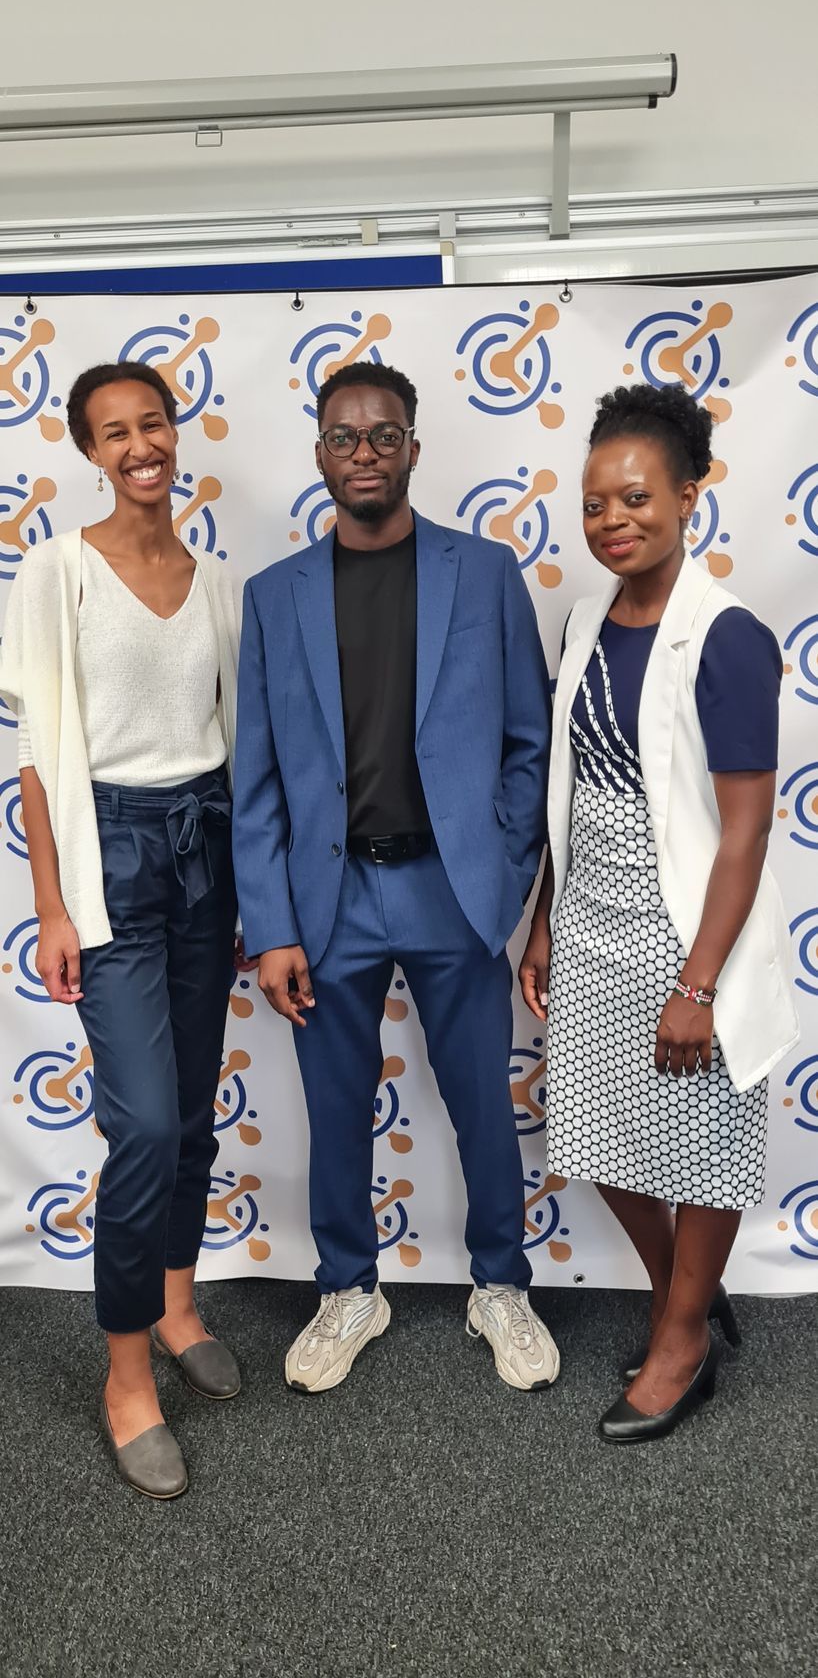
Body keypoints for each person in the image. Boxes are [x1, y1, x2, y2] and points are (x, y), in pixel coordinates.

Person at [232, 360, 559, 1393]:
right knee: (335, 1108)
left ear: (413, 446)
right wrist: (273, 923)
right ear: (319, 451)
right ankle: (345, 1289)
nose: (363, 452)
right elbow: (259, 777)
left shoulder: (483, 572)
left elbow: (525, 740)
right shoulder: (271, 597)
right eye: (343, 436)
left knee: (478, 1101)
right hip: (327, 903)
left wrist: (503, 875)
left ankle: (499, 1285)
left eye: (382, 435)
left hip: (452, 890)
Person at [520, 380, 799, 1443]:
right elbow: (570, 791)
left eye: (634, 498)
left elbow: (742, 830)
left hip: (689, 928)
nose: (611, 521)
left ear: (688, 495)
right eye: (594, 504)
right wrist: (542, 917)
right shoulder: (584, 619)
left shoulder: (723, 636)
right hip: (589, 916)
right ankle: (686, 1289)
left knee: (707, 1139)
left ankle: (679, 1339)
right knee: (594, 1138)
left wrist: (697, 983)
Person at [0, 362, 246, 1499]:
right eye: (115, 432)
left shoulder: (216, 583)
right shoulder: (55, 573)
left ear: (174, 432)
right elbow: (41, 761)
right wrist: (51, 903)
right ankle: (126, 1372)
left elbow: (227, 741)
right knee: (142, 1123)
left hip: (209, 849)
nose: (140, 444)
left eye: (152, 422)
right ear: (90, 450)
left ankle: (180, 1299)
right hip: (111, 857)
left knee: (190, 1110)